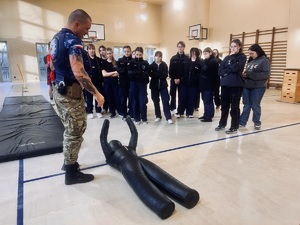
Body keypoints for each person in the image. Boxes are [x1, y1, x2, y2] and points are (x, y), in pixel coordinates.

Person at [50, 9, 104, 185]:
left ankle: (69, 163)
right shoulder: (73, 40)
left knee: (71, 130)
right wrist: (96, 93)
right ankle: (71, 172)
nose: (87, 32)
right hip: (70, 95)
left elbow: (51, 64)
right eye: (86, 28)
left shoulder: (56, 38)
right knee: (75, 131)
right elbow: (78, 72)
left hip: (60, 90)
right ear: (76, 24)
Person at [215, 39, 246, 134]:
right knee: (224, 106)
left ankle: (234, 126)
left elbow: (236, 69)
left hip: (236, 85)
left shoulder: (242, 57)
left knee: (234, 107)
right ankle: (222, 123)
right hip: (225, 85)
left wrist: (232, 60)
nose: (232, 48)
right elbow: (220, 71)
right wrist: (228, 71)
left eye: (235, 46)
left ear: (239, 47)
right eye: (231, 46)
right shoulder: (226, 58)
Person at [239, 44, 270, 130]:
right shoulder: (251, 61)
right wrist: (244, 75)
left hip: (258, 87)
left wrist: (250, 74)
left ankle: (257, 122)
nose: (251, 55)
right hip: (247, 86)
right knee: (246, 105)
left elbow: (265, 75)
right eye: (249, 54)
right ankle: (242, 121)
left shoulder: (264, 61)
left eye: (252, 53)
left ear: (258, 52)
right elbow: (247, 72)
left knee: (255, 105)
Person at [176, 48, 201, 118]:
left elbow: (199, 73)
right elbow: (182, 71)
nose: (193, 54)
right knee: (182, 98)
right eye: (192, 52)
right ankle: (180, 112)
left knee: (191, 98)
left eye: (195, 53)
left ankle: (190, 112)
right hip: (184, 83)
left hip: (193, 85)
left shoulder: (199, 62)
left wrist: (196, 80)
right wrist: (182, 78)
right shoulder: (186, 61)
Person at [149, 51, 173, 124]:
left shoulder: (164, 65)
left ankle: (168, 117)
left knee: (165, 101)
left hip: (163, 86)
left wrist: (156, 74)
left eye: (159, 56)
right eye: (156, 56)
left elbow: (165, 75)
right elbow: (151, 74)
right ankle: (158, 116)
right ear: (154, 57)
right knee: (156, 101)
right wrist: (158, 74)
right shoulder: (151, 65)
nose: (158, 58)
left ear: (161, 57)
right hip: (154, 86)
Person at [128, 47, 149, 125]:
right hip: (134, 84)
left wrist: (136, 73)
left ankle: (144, 118)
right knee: (135, 101)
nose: (138, 56)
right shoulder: (131, 62)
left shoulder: (145, 63)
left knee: (142, 102)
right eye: (137, 54)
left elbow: (146, 74)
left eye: (140, 55)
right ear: (135, 54)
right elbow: (130, 74)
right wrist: (140, 73)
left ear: (142, 54)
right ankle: (137, 118)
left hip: (142, 85)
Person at [83, 44, 104, 119]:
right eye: (90, 49)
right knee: (89, 97)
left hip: (97, 81)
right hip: (88, 82)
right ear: (87, 50)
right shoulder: (84, 60)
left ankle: (98, 111)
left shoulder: (98, 60)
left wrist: (102, 81)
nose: (92, 50)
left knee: (97, 96)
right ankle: (90, 112)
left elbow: (101, 71)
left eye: (93, 49)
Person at [198, 47, 219, 122]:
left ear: (210, 53)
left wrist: (201, 61)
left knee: (208, 100)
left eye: (206, 54)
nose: (204, 55)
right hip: (204, 84)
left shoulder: (213, 61)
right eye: (204, 54)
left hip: (209, 84)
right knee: (204, 100)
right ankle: (206, 114)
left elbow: (205, 68)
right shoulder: (207, 61)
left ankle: (209, 116)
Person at [169, 41, 189, 115]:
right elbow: (170, 70)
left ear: (184, 48)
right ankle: (172, 108)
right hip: (174, 80)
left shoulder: (187, 59)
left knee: (182, 96)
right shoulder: (173, 58)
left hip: (182, 80)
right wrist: (174, 78)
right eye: (179, 46)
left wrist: (180, 79)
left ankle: (180, 111)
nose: (180, 48)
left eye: (181, 47)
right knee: (172, 94)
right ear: (177, 47)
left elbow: (186, 71)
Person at [102, 47, 120, 118]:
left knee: (116, 97)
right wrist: (113, 72)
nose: (109, 55)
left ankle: (119, 111)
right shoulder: (104, 63)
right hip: (107, 83)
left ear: (112, 54)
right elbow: (104, 74)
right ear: (106, 54)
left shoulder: (116, 63)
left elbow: (118, 73)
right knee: (109, 97)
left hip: (115, 83)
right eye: (107, 54)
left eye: (110, 53)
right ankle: (112, 112)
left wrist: (109, 74)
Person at [116, 45, 132, 119]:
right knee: (123, 99)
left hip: (131, 83)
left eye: (128, 51)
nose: (127, 53)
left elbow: (133, 72)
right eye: (125, 51)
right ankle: (124, 114)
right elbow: (119, 70)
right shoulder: (120, 60)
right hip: (122, 84)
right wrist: (127, 70)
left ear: (130, 51)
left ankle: (131, 113)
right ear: (123, 52)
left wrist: (125, 70)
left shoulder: (133, 60)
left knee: (131, 99)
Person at [98, 45, 109, 114]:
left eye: (103, 50)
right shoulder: (99, 60)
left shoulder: (109, 59)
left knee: (109, 94)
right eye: (100, 50)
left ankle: (112, 107)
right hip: (102, 80)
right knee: (104, 94)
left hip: (110, 79)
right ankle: (104, 108)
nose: (102, 52)